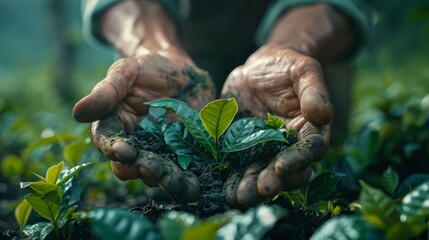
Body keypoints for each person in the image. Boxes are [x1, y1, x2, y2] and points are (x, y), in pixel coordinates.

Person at [73, 0, 370, 208]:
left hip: (298, 43)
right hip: (181, 44)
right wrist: (149, 47)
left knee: (322, 151)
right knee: (167, 183)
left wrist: (291, 47)